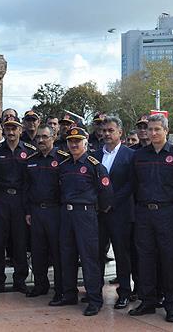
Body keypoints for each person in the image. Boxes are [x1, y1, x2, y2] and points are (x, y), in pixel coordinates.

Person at [129, 113, 173, 322]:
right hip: (144, 213)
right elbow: (133, 185)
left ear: (166, 131)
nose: (152, 133)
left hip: (168, 214)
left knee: (169, 260)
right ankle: (148, 301)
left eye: (157, 129)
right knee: (145, 259)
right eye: (150, 129)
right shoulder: (139, 156)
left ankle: (170, 305)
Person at [52, 127, 113, 316]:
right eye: (71, 141)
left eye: (78, 141)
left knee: (89, 258)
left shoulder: (95, 165)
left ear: (85, 142)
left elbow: (106, 194)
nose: (74, 144)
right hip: (67, 215)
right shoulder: (64, 165)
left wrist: (97, 211)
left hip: (86, 215)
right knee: (67, 256)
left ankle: (94, 299)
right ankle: (69, 294)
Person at [94, 115, 135, 309]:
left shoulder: (130, 155)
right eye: (104, 131)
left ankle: (124, 293)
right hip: (98, 213)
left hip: (120, 213)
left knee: (122, 254)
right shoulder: (94, 155)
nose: (107, 134)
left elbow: (131, 184)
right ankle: (95, 293)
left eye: (111, 130)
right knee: (97, 253)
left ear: (120, 133)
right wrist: (100, 203)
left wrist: (111, 202)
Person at [0, 116, 32, 293]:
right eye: (8, 129)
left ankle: (20, 280)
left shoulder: (29, 151)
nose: (11, 132)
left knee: (20, 242)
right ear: (4, 131)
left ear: (20, 130)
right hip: (0, 200)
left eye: (15, 129)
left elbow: (31, 181)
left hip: (21, 201)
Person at [24, 125, 62, 301]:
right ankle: (40, 285)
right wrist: (28, 211)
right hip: (36, 212)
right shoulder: (31, 160)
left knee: (58, 252)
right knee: (38, 252)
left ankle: (61, 288)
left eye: (45, 137)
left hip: (56, 212)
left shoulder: (62, 159)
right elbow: (27, 187)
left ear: (53, 137)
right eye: (38, 137)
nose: (40, 140)